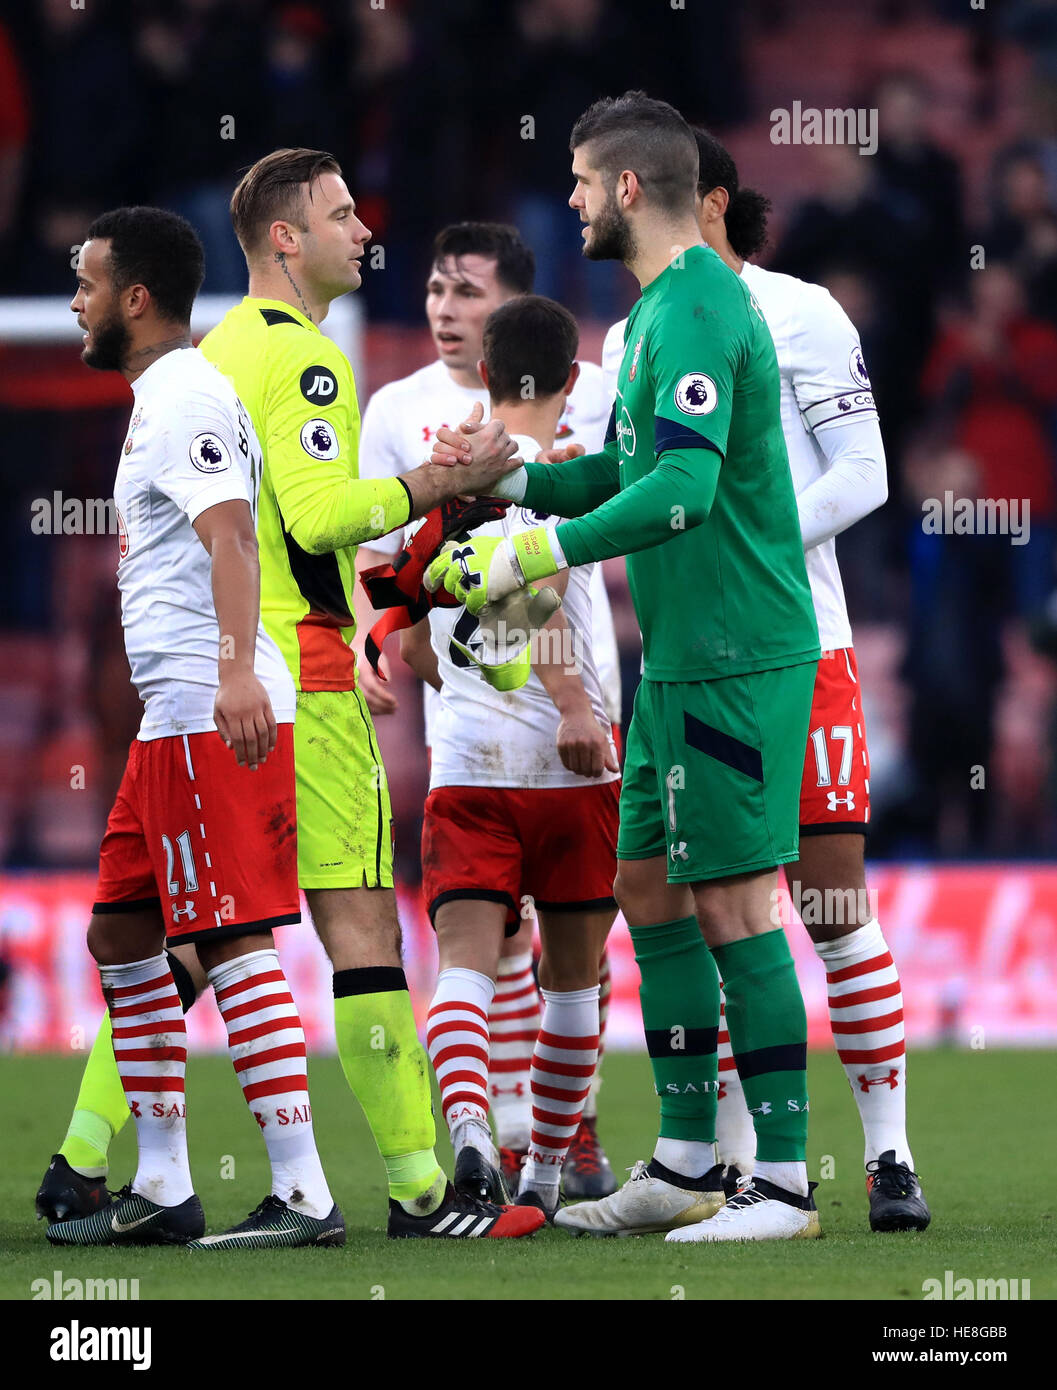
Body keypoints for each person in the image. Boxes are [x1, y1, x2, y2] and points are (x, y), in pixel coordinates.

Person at [37, 151, 544, 1242]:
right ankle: (421, 1185)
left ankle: (87, 1157)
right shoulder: (307, 358)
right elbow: (314, 519)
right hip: (289, 679)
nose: (364, 231)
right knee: (349, 924)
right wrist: (440, 490)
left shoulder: (209, 349)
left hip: (210, 680)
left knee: (181, 929)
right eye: (339, 214)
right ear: (283, 239)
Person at [428, 92, 823, 1243]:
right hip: (679, 664)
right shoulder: (650, 315)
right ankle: (689, 1161)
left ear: (628, 189)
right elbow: (622, 468)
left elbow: (686, 494)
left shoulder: (700, 308)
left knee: (737, 905)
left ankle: (786, 1181)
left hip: (737, 654)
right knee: (646, 890)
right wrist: (511, 485)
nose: (570, 198)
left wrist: (533, 550)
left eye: (579, 180)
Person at [596, 127, 929, 1233]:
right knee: (683, 898)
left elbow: (868, 473)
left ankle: (886, 1155)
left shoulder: (801, 312)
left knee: (826, 903)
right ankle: (718, 1162)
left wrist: (748, 549)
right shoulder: (635, 324)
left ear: (711, 202)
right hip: (686, 656)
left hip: (799, 647)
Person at [45, 206, 341, 1250]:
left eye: (85, 282)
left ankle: (303, 1191)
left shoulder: (186, 398)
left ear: (134, 296)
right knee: (122, 932)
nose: (74, 301)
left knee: (227, 933)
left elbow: (232, 543)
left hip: (208, 708)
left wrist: (232, 675)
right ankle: (165, 1181)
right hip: (170, 719)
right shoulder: (159, 400)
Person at [355, 220, 621, 1198]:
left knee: (470, 951)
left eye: (463, 291)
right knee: (569, 961)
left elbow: (389, 570)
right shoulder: (465, 430)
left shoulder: (470, 448)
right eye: (432, 288)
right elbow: (529, 586)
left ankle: (483, 1126)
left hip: (474, 740)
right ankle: (551, 1155)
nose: (439, 307)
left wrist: (395, 630)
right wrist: (393, 640)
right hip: (560, 735)